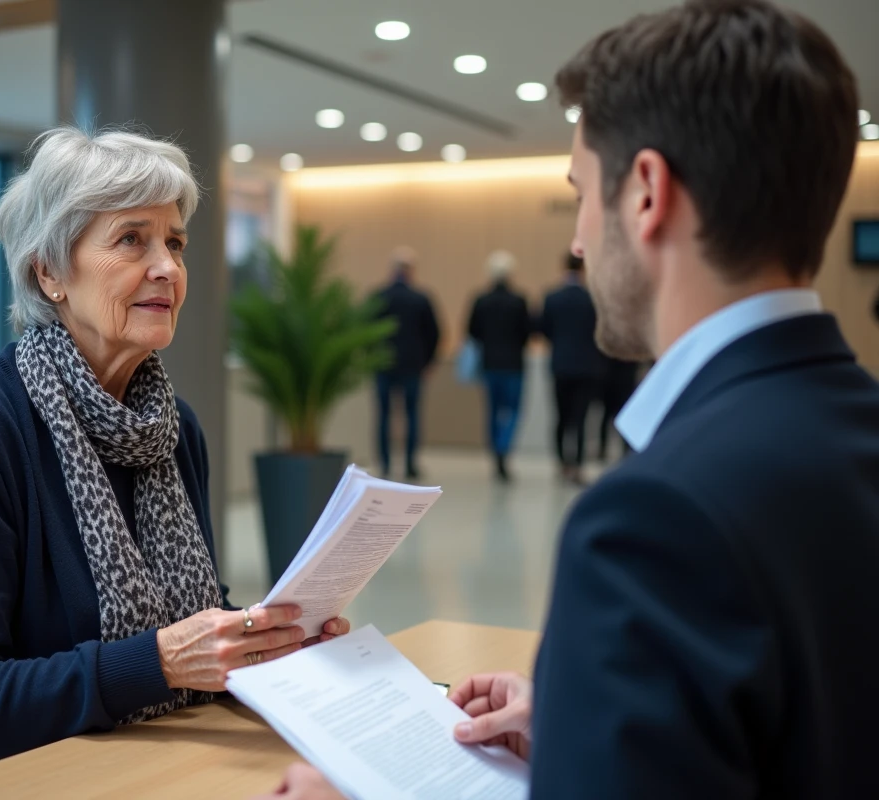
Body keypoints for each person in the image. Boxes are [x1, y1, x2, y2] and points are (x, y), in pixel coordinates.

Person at [257, 0, 879, 797]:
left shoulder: (656, 518)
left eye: (582, 191)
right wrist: (586, 732)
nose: (580, 242)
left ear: (647, 193)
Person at [0, 128, 349, 796]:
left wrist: (273, 649)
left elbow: (191, 620)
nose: (168, 268)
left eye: (175, 243)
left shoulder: (173, 427)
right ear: (49, 271)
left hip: (145, 770)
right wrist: (159, 663)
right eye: (132, 239)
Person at [372, 248, 440, 478]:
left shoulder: (378, 297)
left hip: (383, 365)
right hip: (413, 365)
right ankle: (410, 463)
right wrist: (428, 361)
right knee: (412, 415)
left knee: (383, 415)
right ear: (411, 270)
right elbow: (434, 333)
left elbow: (365, 331)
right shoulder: (420, 298)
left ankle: (385, 463)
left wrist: (371, 358)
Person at [466, 250, 532, 481]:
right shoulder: (519, 301)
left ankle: (496, 451)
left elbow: (472, 331)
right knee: (512, 411)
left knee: (493, 411)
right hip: (514, 365)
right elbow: (527, 331)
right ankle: (504, 449)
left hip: (490, 364)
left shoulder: (481, 300)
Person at [538, 254, 604, 484]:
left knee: (561, 416)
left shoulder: (552, 297)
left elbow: (543, 329)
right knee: (581, 418)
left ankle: (562, 462)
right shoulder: (592, 298)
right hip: (587, 366)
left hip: (561, 365)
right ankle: (577, 464)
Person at [596, 356, 639, 461]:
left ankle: (605, 448)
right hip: (619, 382)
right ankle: (622, 448)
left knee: (611, 415)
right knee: (618, 416)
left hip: (613, 381)